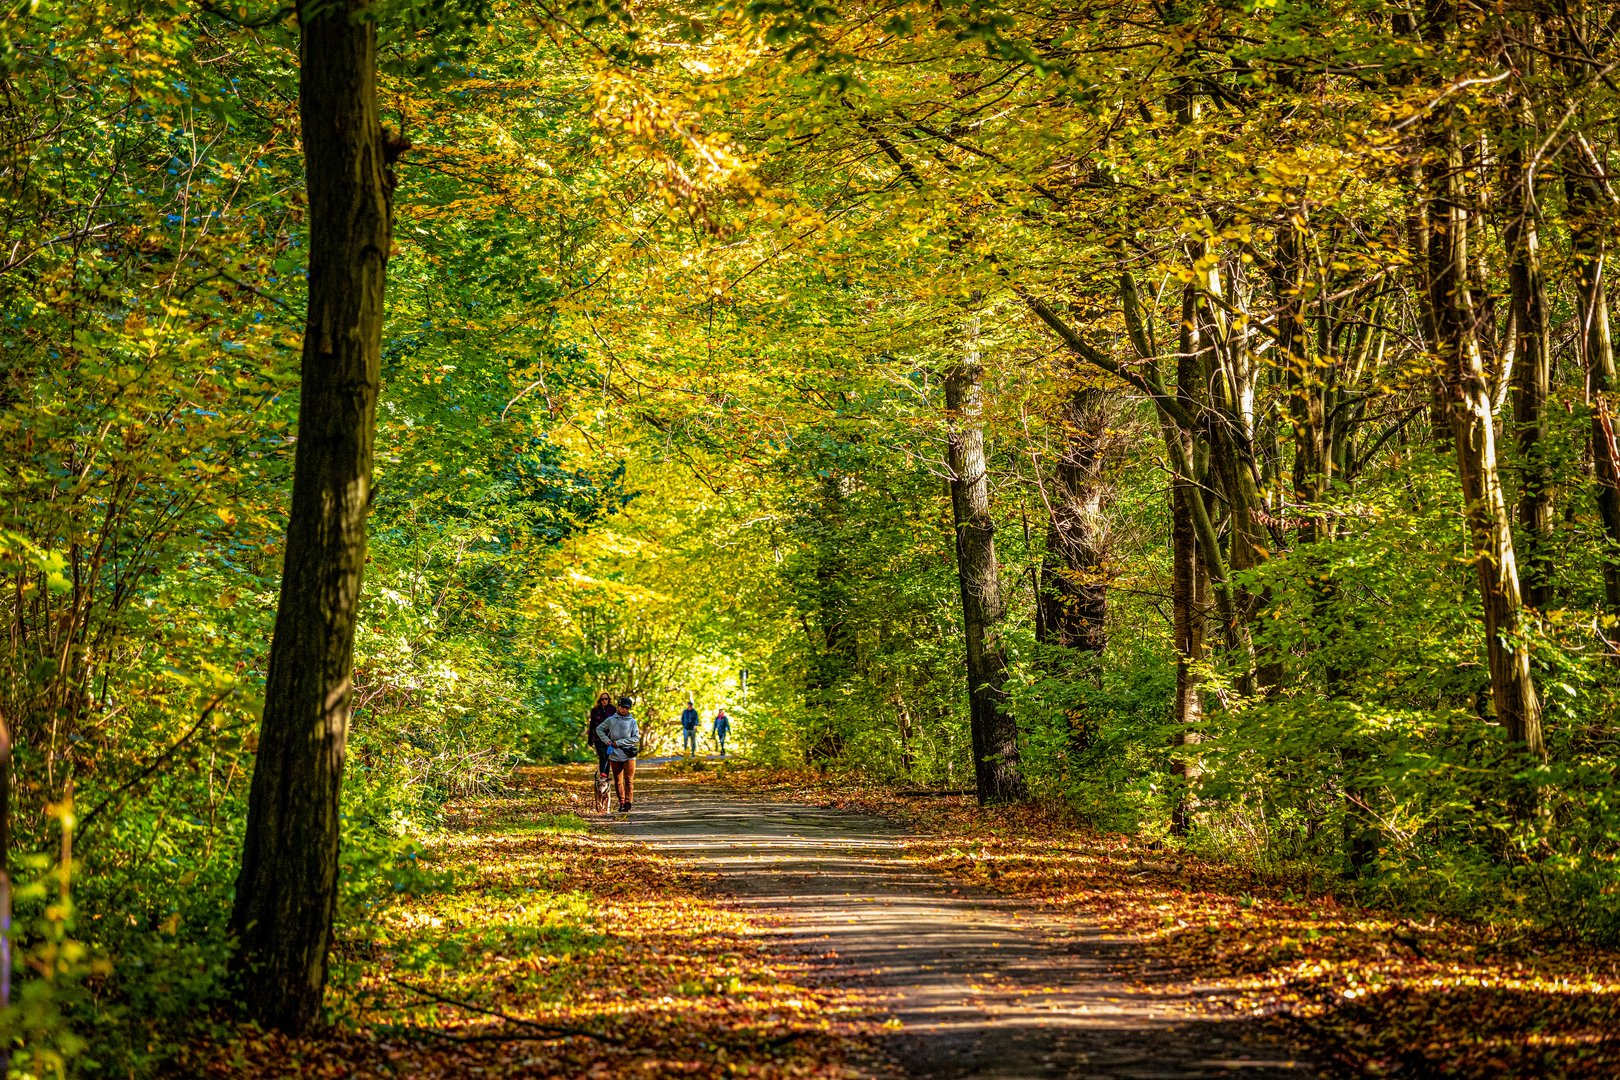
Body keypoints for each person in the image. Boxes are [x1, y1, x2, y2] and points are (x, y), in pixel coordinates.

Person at [595, 695, 640, 813]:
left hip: (629, 754)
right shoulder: (611, 720)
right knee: (618, 781)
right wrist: (607, 741)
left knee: (629, 780)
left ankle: (628, 802)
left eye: (627, 708)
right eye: (622, 707)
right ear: (618, 707)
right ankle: (621, 803)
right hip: (614, 755)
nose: (624, 710)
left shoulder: (632, 721)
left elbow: (636, 738)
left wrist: (619, 742)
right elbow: (599, 729)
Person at [586, 692, 615, 783]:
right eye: (602, 699)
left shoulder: (613, 709)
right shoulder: (595, 710)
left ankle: (605, 777)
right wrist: (590, 739)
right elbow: (592, 725)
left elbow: (615, 724)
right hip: (598, 738)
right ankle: (602, 777)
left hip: (609, 738)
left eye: (606, 699)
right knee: (602, 757)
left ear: (609, 700)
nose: (604, 701)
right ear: (600, 700)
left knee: (607, 758)